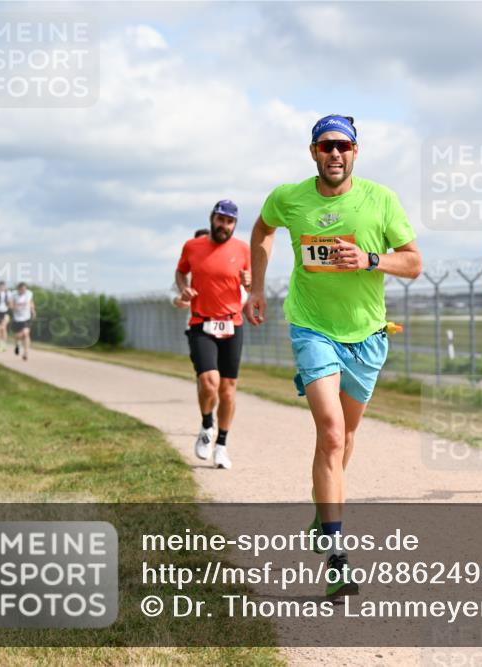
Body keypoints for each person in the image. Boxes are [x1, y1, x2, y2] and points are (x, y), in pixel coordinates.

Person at [246, 114, 421, 597]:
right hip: (311, 329)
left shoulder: (380, 200)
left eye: (343, 145)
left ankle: (324, 511)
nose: (335, 153)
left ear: (355, 152)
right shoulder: (290, 198)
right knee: (331, 431)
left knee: (346, 437)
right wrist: (256, 288)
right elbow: (261, 228)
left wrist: (369, 259)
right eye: (326, 146)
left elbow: (413, 263)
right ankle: (338, 558)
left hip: (366, 335)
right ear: (313, 152)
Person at [175, 200, 251, 471]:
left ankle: (221, 445)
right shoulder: (192, 246)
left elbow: (250, 280)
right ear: (212, 218)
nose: (224, 226)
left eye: (229, 222)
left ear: (234, 224)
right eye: (220, 220)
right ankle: (207, 425)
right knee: (209, 382)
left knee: (228, 390)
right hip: (201, 322)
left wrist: (249, 282)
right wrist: (183, 288)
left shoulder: (243, 249)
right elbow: (181, 272)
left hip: (232, 324)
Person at [172, 229, 211, 309]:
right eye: (199, 243)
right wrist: (178, 300)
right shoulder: (187, 272)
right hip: (193, 315)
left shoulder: (223, 268)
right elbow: (173, 293)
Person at [9, 282, 35, 361]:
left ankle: (26, 353)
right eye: (22, 289)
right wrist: (15, 307)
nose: (23, 291)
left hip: (26, 318)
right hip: (17, 319)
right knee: (18, 336)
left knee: (26, 333)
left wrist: (33, 310)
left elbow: (31, 302)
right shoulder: (14, 294)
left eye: (25, 289)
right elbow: (10, 305)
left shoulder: (29, 293)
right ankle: (17, 344)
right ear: (18, 289)